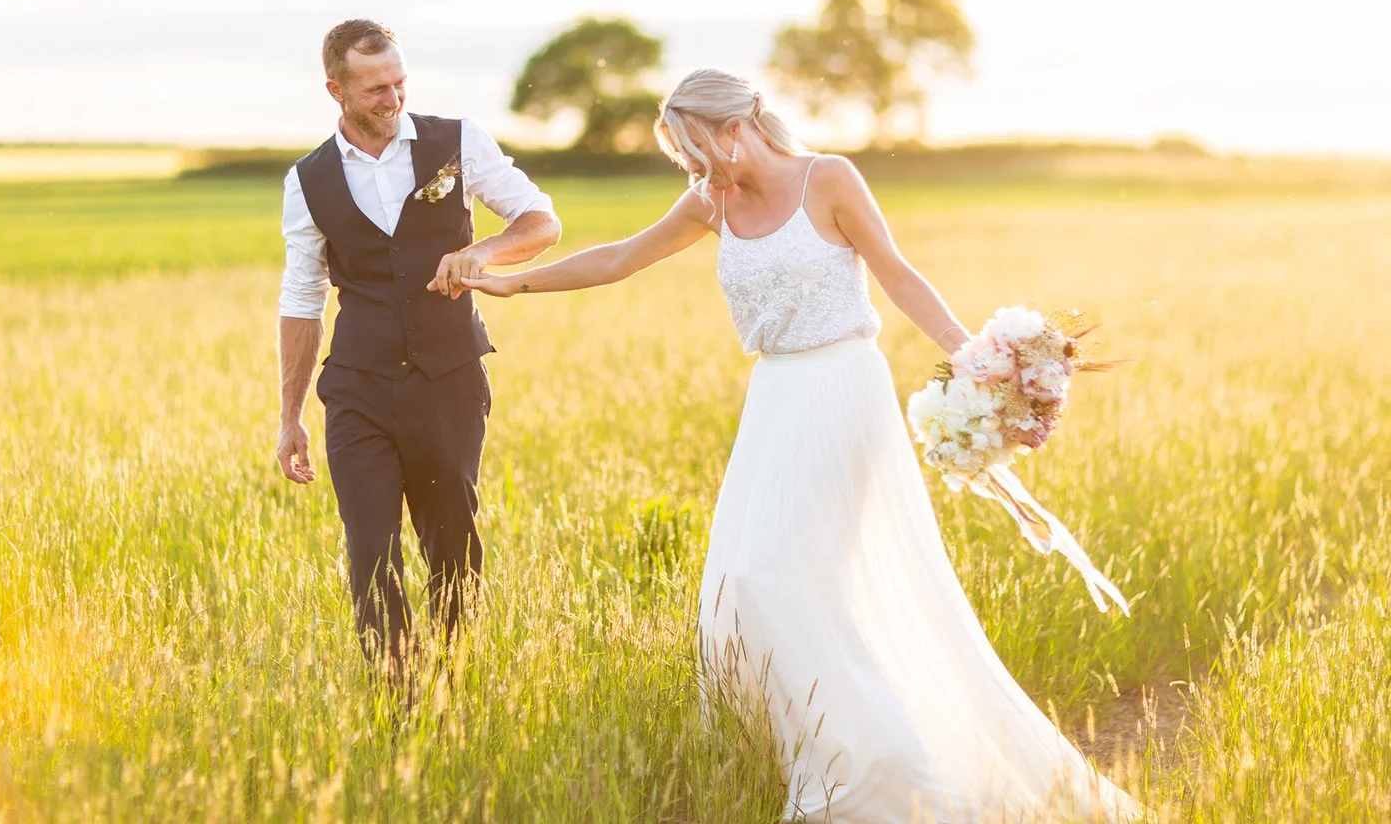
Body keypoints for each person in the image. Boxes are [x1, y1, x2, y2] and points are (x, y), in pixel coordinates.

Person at [453, 68, 1143, 822]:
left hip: (844, 389)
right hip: (775, 398)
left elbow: (898, 274)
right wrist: (511, 284)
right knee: (744, 589)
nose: (693, 171)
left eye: (696, 152)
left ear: (734, 129)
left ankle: (884, 764)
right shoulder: (711, 201)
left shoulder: (829, 180)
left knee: (768, 575)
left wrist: (975, 360)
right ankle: (832, 752)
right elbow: (620, 257)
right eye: (682, 160)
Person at [276, 19, 560, 683]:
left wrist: (478, 253)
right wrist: (290, 415)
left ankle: (453, 687)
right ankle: (395, 702)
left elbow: (542, 221)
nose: (392, 97)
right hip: (357, 384)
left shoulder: (457, 142)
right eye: (375, 87)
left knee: (452, 542)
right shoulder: (307, 180)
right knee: (370, 549)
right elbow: (301, 299)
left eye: (399, 81)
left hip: (449, 378)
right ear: (336, 90)